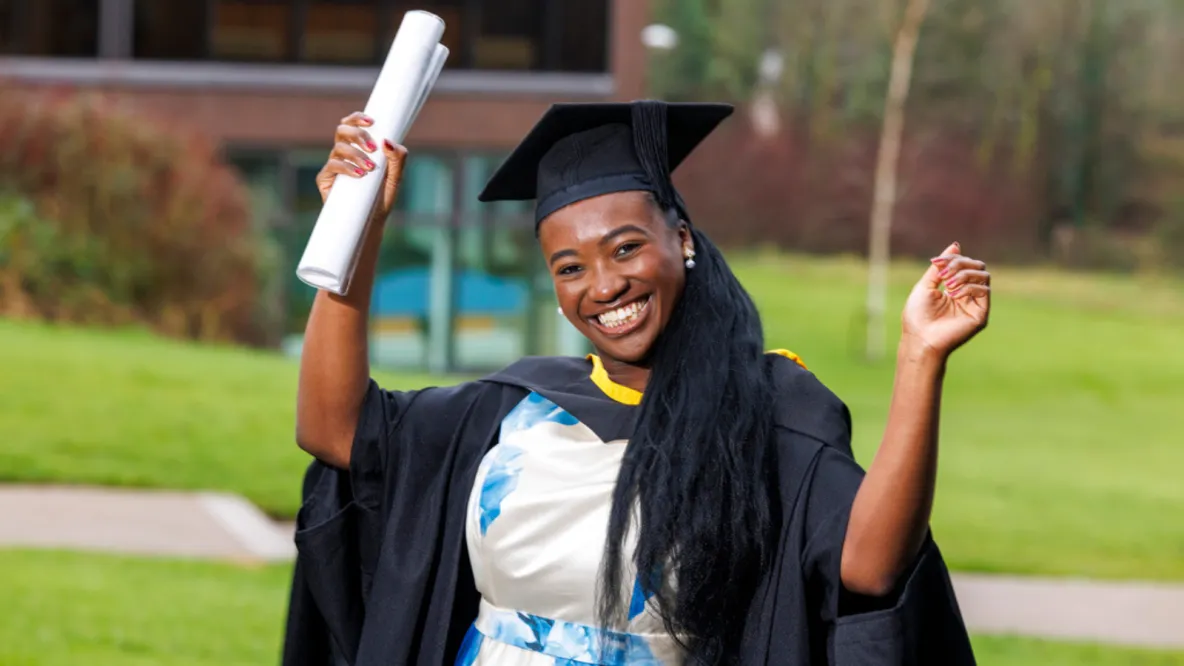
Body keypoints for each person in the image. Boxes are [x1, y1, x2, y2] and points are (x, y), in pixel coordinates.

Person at [281, 101, 989, 666]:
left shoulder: (765, 410)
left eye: (626, 247)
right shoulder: (513, 413)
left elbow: (868, 569)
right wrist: (358, 230)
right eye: (570, 267)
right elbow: (334, 430)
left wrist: (920, 358)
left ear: (681, 238)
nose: (604, 284)